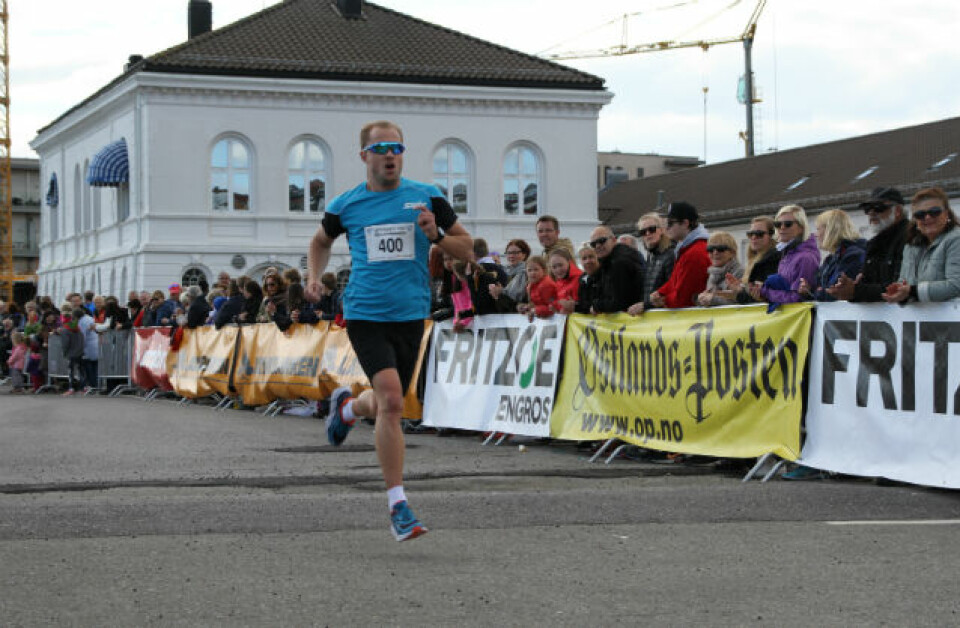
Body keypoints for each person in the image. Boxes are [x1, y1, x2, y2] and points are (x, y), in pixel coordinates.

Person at [305, 119, 473, 541]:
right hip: (365, 313)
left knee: (384, 404)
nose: (389, 156)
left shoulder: (427, 197)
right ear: (365, 156)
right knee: (394, 401)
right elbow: (320, 241)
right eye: (380, 149)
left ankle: (347, 408)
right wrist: (313, 277)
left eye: (396, 148)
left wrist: (436, 234)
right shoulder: (346, 205)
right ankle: (398, 505)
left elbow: (467, 249)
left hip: (410, 314)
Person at [827, 187, 910, 302]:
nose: (871, 213)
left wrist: (855, 291)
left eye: (878, 208)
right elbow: (868, 282)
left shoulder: (910, 238)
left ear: (898, 211)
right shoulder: (873, 244)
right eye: (867, 209)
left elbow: (899, 288)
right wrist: (850, 289)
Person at [883, 187, 960, 303]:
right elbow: (904, 283)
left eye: (934, 212)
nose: (927, 217)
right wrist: (898, 292)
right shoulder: (910, 246)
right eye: (920, 214)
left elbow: (956, 286)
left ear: (947, 214)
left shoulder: (956, 239)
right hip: (921, 314)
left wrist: (912, 292)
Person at [642, 201, 710, 311]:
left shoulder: (694, 252)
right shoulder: (686, 249)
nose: (666, 228)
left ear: (685, 223)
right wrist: (660, 293)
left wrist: (662, 301)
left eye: (670, 223)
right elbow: (674, 281)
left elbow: (684, 298)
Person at [748, 204, 820, 306]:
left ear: (801, 227)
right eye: (778, 224)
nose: (782, 228)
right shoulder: (787, 254)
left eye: (788, 224)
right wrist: (763, 292)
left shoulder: (805, 258)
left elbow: (797, 299)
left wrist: (766, 292)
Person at [799, 209, 866, 301]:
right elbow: (821, 288)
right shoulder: (830, 259)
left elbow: (835, 292)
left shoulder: (852, 256)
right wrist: (809, 291)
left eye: (818, 229)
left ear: (830, 230)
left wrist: (813, 292)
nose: (816, 235)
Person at [587, 225, 645, 313]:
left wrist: (597, 306)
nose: (597, 246)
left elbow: (620, 302)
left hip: (633, 317)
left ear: (614, 240)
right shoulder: (608, 261)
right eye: (593, 244)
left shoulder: (619, 262)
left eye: (602, 241)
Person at [730, 216, 781, 304]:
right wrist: (739, 290)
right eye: (750, 234)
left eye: (759, 234)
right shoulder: (753, 260)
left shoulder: (772, 260)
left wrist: (739, 294)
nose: (753, 237)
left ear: (771, 235)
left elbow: (758, 299)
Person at [636, 213, 676, 309]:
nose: (648, 234)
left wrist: (646, 305)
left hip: (667, 312)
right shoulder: (651, 256)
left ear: (661, 230)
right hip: (654, 312)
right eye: (643, 232)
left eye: (652, 229)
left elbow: (672, 288)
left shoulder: (671, 254)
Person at [696, 232, 744, 306]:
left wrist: (713, 300)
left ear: (732, 252)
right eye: (710, 249)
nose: (715, 252)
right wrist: (702, 299)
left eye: (720, 249)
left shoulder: (740, 272)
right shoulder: (712, 274)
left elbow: (741, 303)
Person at [488, 238, 530, 313]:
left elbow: (518, 299)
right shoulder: (502, 272)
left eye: (515, 253)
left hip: (519, 313)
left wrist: (501, 293)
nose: (511, 256)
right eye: (509, 253)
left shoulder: (528, 273)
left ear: (524, 254)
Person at [549, 248, 582, 313]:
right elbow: (555, 302)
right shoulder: (558, 282)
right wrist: (554, 308)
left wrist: (574, 308)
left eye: (560, 265)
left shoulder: (579, 279)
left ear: (569, 262)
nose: (558, 270)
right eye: (554, 267)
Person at [572, 243, 602, 314]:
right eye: (584, 258)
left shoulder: (605, 276)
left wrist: (576, 307)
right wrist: (574, 306)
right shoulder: (582, 279)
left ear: (598, 257)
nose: (588, 261)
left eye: (591, 257)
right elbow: (584, 304)